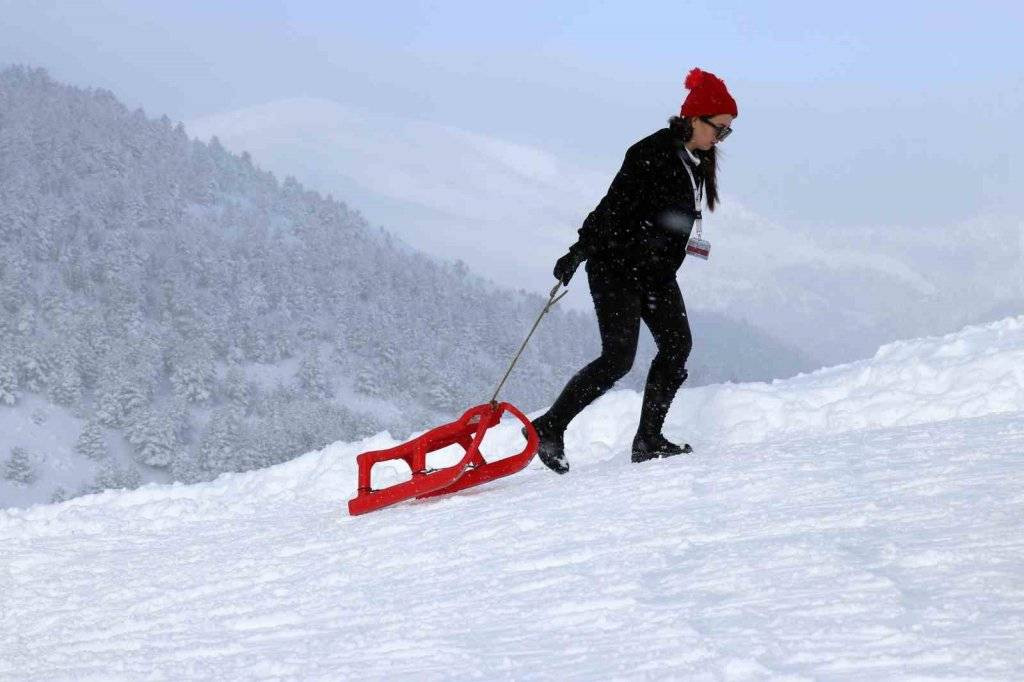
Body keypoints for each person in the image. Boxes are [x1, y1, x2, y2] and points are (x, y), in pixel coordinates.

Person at [529, 67, 738, 473]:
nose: (721, 138)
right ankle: (549, 427)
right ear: (695, 118)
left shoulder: (694, 159)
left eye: (726, 131)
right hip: (616, 267)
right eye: (719, 128)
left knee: (677, 346)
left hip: (655, 273)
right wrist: (578, 251)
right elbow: (613, 206)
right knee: (617, 358)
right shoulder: (651, 152)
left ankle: (648, 440)